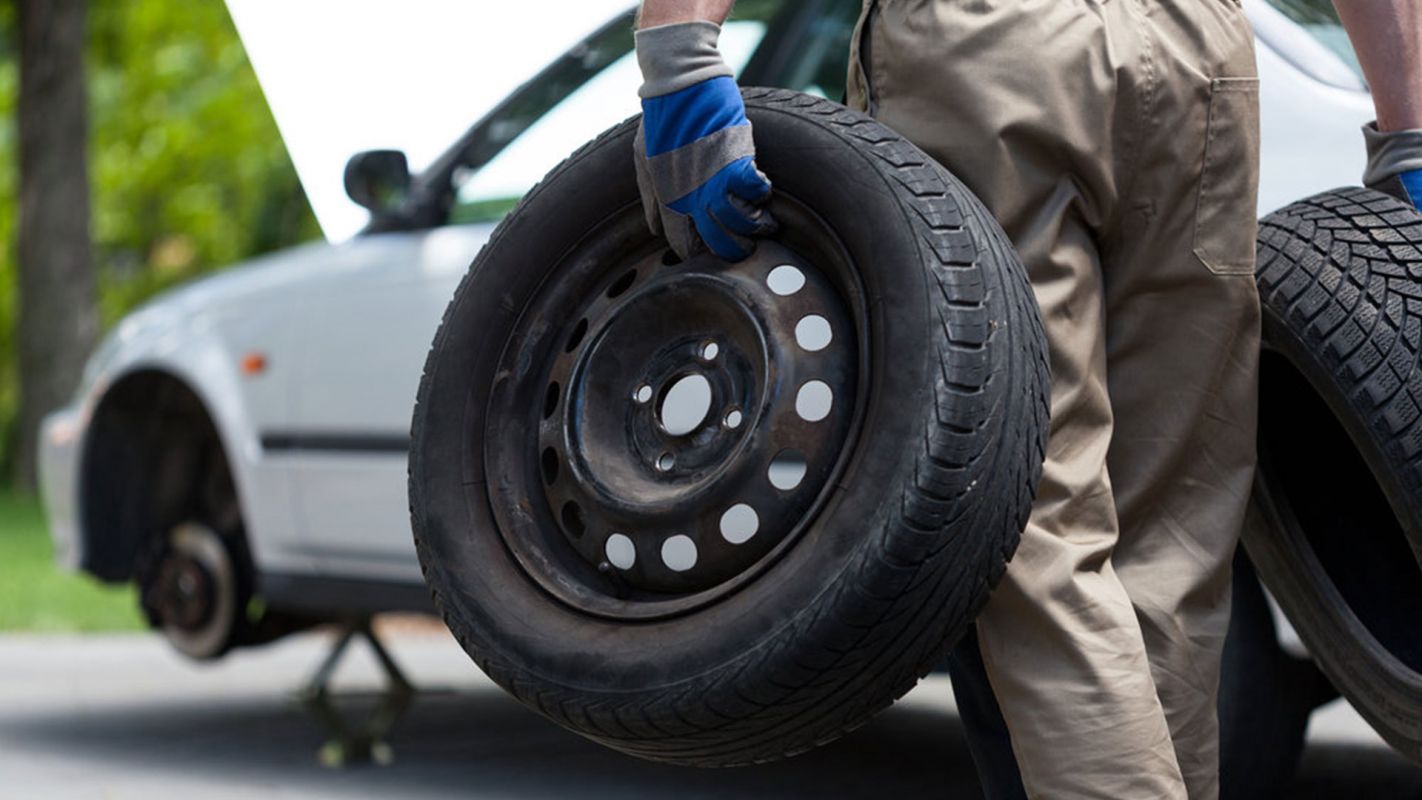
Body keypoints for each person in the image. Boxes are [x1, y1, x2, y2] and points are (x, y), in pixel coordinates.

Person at [631, 0, 1421, 797]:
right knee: (1173, 534)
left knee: (1027, 518)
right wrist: (1407, 124)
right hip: (1198, 50)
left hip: (994, 46)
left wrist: (680, 58)